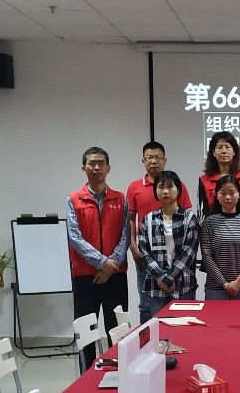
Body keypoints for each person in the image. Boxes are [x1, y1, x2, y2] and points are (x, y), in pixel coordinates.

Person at [65, 146, 128, 371]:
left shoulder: (120, 198)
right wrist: (102, 263)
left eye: (101, 163)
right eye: (92, 163)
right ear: (84, 168)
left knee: (117, 332)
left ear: (108, 168)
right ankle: (86, 380)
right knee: (86, 336)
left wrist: (110, 267)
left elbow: (125, 235)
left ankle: (119, 377)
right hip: (85, 278)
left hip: (115, 276)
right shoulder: (74, 199)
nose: (97, 167)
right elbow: (75, 237)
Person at [127, 141, 192, 323]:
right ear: (143, 161)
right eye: (149, 158)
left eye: (158, 157)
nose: (154, 161)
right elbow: (130, 219)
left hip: (176, 261)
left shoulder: (178, 185)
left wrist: (169, 276)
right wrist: (134, 247)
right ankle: (147, 340)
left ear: (164, 160)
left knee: (180, 310)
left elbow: (187, 220)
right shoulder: (134, 187)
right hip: (146, 255)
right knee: (146, 305)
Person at [137, 170, 200, 318]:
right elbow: (144, 252)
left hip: (183, 285)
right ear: (155, 191)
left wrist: (170, 278)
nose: (165, 191)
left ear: (178, 190)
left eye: (170, 186)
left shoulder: (190, 219)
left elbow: (189, 253)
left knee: (184, 328)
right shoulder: (148, 219)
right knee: (160, 328)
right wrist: (161, 277)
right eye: (161, 187)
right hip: (155, 285)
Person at [199, 175, 240, 299]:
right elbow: (207, 257)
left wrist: (237, 283)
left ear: (239, 194)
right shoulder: (209, 222)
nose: (227, 197)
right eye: (223, 193)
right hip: (215, 288)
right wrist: (225, 284)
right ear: (216, 195)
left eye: (232, 193)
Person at [196, 131, 240, 216]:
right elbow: (202, 213)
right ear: (213, 152)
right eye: (219, 147)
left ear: (234, 152)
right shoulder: (204, 180)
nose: (223, 151)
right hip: (211, 224)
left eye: (227, 147)